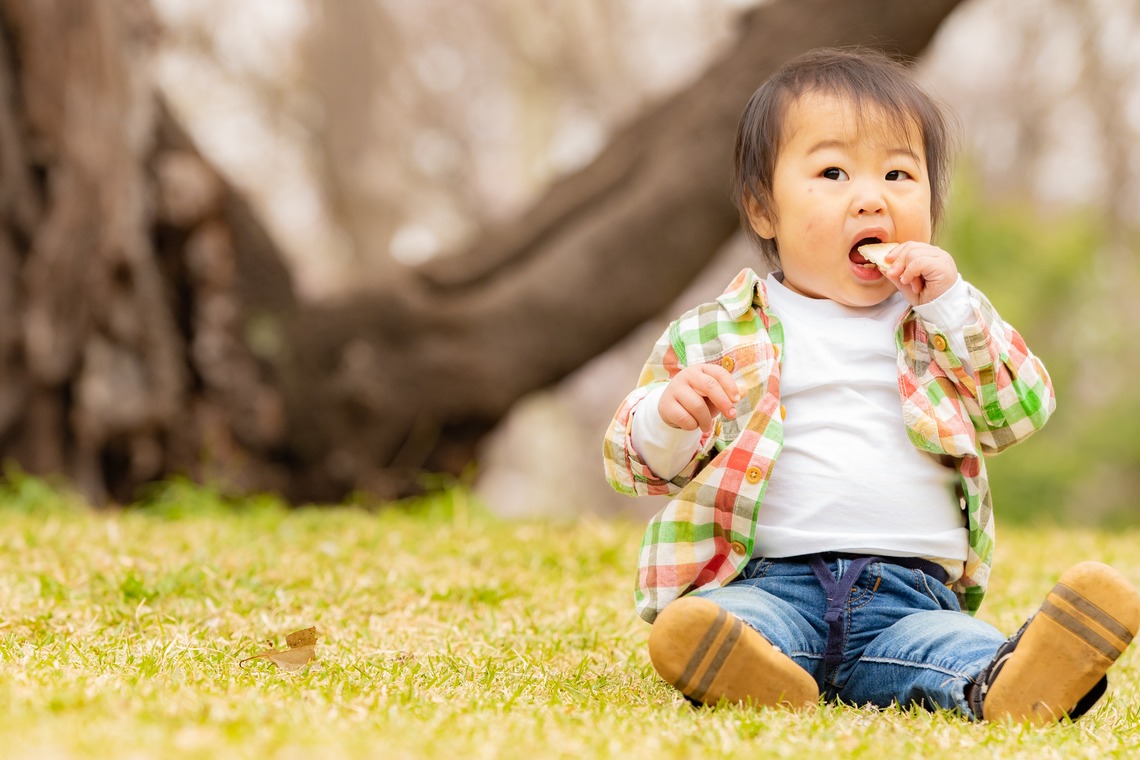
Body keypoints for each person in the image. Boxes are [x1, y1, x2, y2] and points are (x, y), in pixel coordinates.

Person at [602, 47, 1139, 724]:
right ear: (763, 210)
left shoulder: (940, 326)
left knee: (955, 649)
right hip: (769, 583)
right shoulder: (715, 332)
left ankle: (1007, 680)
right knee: (724, 621)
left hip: (909, 598)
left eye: (898, 173)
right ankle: (745, 665)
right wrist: (666, 417)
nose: (871, 196)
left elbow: (1021, 409)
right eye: (832, 172)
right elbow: (632, 465)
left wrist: (952, 307)